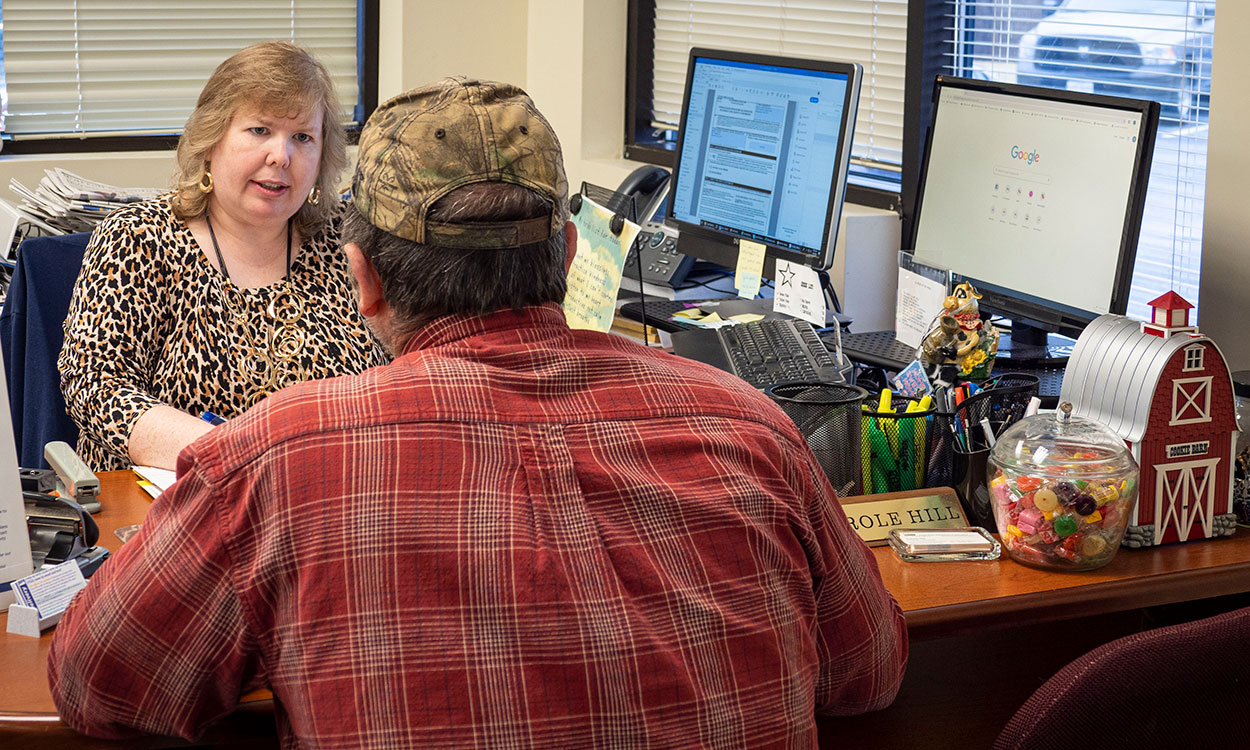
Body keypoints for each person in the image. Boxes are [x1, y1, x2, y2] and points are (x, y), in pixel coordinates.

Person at [48, 78, 907, 747]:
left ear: (364, 277)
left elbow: (102, 686)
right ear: (570, 255)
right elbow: (868, 674)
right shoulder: (750, 422)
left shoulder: (276, 456)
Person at [57, 41, 387, 471]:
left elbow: (410, 361)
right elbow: (95, 385)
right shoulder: (140, 237)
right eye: (260, 130)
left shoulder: (349, 238)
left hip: (336, 498)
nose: (280, 156)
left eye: (303, 137)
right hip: (181, 501)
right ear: (211, 139)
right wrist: (239, 456)